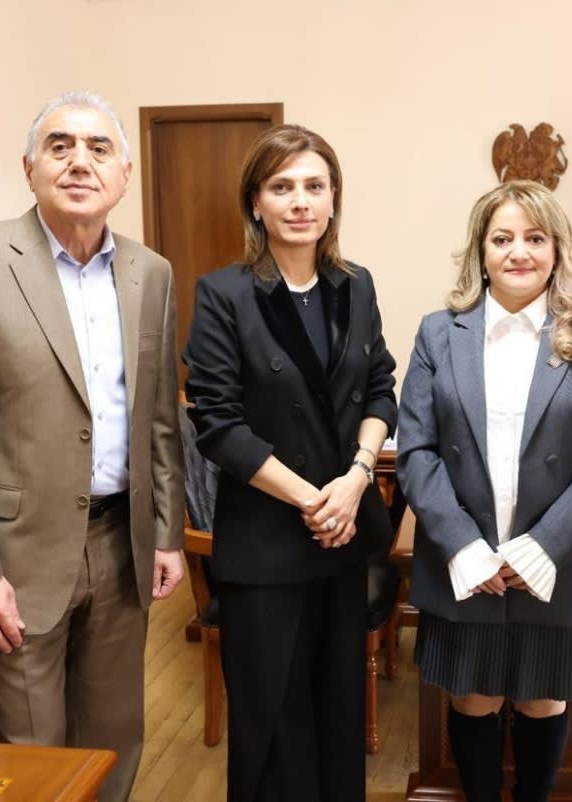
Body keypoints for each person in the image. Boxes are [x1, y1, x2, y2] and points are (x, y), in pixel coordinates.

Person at [0, 91, 185, 802]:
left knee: (116, 740)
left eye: (98, 149)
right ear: (30, 167)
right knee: (29, 758)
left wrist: (166, 533)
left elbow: (157, 418)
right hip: (13, 560)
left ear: (124, 172)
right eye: (60, 146)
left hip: (121, 548)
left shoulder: (150, 273)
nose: (79, 162)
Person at [397, 180, 572, 802]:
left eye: (534, 238)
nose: (518, 252)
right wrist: (466, 548)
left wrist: (539, 549)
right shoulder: (437, 333)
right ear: (480, 250)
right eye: (502, 239)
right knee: (472, 699)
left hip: (556, 561)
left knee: (541, 699)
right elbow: (416, 451)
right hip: (465, 561)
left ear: (557, 248)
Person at [183, 123, 397, 802]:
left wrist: (358, 475)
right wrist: (313, 499)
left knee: (337, 715)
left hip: (342, 542)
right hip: (268, 548)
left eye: (314, 185)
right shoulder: (224, 294)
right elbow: (217, 424)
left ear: (334, 200)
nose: (299, 201)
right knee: (272, 723)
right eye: (282, 187)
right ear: (256, 203)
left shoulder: (355, 286)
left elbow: (381, 389)